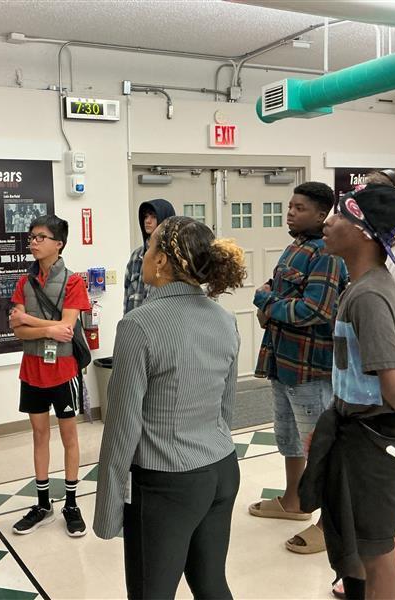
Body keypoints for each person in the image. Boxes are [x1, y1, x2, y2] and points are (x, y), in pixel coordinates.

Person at [301, 183, 395, 600]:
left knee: (376, 550)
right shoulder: (365, 284)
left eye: (340, 216)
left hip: (370, 440)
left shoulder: (370, 294)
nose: (328, 222)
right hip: (352, 427)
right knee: (352, 540)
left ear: (365, 232)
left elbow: (390, 373)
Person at [94, 216, 247, 599]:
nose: (144, 255)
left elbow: (122, 424)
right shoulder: (224, 319)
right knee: (211, 583)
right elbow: (225, 407)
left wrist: (108, 508)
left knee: (151, 593)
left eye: (149, 248)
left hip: (166, 483)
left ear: (161, 261)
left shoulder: (139, 325)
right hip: (221, 470)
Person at [248, 182, 347, 555]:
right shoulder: (296, 247)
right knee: (288, 438)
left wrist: (265, 301)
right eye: (290, 205)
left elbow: (315, 310)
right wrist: (272, 300)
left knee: (321, 448)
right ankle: (294, 502)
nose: (290, 212)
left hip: (311, 368)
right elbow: (280, 289)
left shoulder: (327, 253)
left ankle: (329, 524)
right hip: (282, 361)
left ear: (322, 215)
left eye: (300, 208)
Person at [8, 215, 92, 537]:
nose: (33, 242)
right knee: (39, 435)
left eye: (41, 237)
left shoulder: (73, 282)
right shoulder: (23, 283)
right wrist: (46, 327)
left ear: (59, 243)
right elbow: (17, 328)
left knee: (69, 438)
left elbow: (67, 330)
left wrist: (31, 321)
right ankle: (43, 504)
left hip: (64, 370)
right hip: (32, 368)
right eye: (31, 237)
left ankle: (71, 503)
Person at [123, 199, 175, 313]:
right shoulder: (136, 256)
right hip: (135, 323)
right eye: (145, 217)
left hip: (161, 323)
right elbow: (127, 295)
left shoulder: (174, 257)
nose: (147, 221)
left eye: (153, 217)